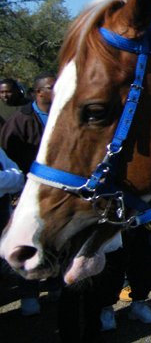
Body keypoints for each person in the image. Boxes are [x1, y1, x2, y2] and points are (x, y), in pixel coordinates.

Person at [0, 73, 56, 316]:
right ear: (39, 92)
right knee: (29, 244)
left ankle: (56, 286)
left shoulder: (63, 115)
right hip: (28, 194)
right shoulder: (19, 121)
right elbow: (8, 159)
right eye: (52, 87)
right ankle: (29, 294)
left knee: (55, 241)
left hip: (58, 193)